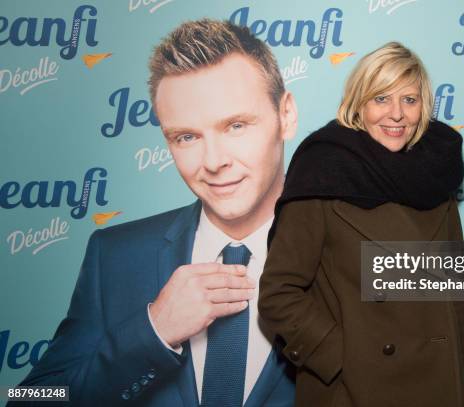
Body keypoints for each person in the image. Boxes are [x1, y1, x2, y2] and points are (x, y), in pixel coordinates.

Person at [13, 19, 297, 407]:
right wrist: (152, 333)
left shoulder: (366, 250)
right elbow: (31, 399)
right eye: (187, 137)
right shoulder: (113, 256)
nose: (213, 161)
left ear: (286, 115)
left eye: (235, 126)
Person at [258, 42, 464, 407]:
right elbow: (278, 294)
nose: (396, 114)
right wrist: (342, 356)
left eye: (409, 100)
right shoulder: (323, 170)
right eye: (381, 99)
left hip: (438, 385)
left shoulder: (435, 174)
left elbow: (455, 292)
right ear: (358, 103)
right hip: (351, 392)